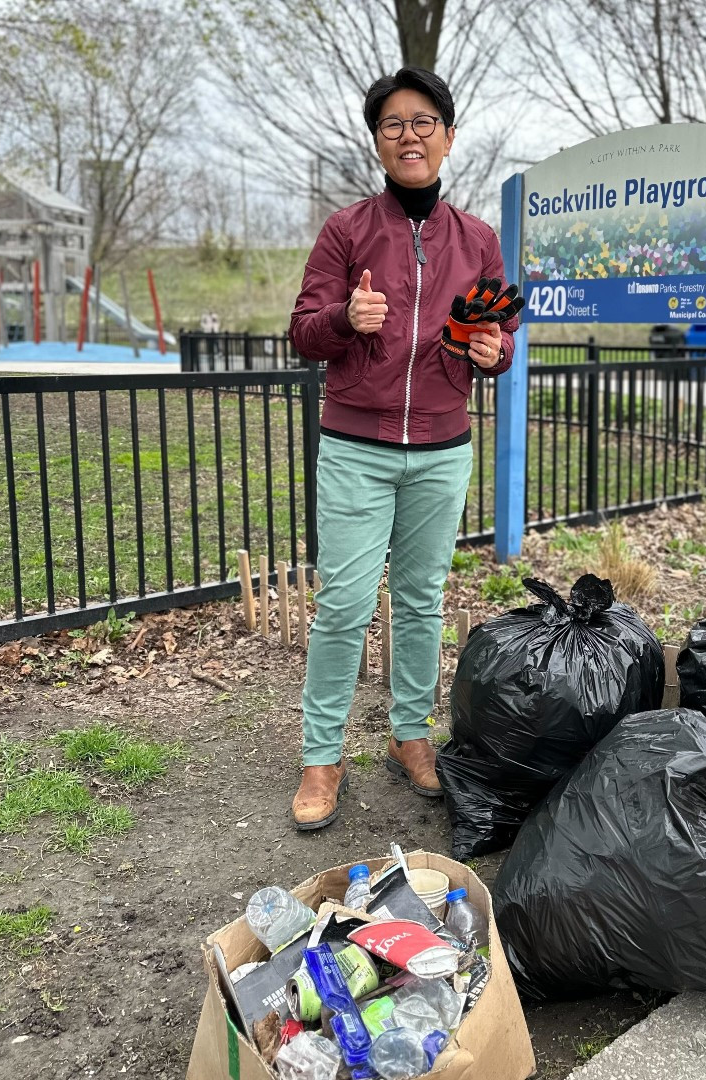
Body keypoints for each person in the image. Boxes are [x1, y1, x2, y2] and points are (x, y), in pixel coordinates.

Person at [287, 67, 518, 831]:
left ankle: (408, 735)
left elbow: (499, 337)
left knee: (420, 602)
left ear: (449, 137)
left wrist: (494, 352)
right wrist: (346, 319)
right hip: (357, 444)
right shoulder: (347, 230)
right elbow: (302, 330)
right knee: (344, 605)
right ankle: (323, 755)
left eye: (424, 122)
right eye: (394, 124)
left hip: (443, 447)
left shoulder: (476, 238)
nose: (409, 135)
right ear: (378, 141)